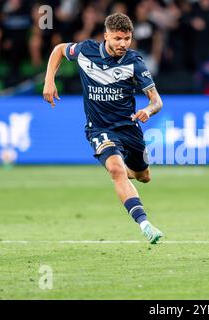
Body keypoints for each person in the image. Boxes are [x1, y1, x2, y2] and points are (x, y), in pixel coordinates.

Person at [43, 13, 164, 244]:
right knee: (117, 171)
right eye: (118, 38)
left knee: (143, 176)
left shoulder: (134, 62)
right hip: (99, 128)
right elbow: (59, 49)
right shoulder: (86, 50)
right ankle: (145, 224)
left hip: (129, 129)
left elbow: (157, 101)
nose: (123, 44)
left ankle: (122, 170)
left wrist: (148, 110)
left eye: (127, 39)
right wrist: (50, 80)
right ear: (106, 35)